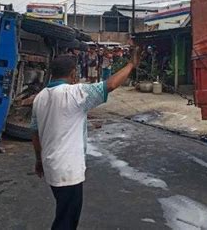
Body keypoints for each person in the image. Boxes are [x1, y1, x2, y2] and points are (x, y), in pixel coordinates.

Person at [30, 47, 141, 230]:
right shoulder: (75, 94)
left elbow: (34, 133)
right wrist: (131, 65)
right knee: (67, 220)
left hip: (51, 165)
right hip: (68, 171)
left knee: (64, 212)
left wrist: (38, 160)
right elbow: (110, 85)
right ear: (73, 74)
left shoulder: (40, 98)